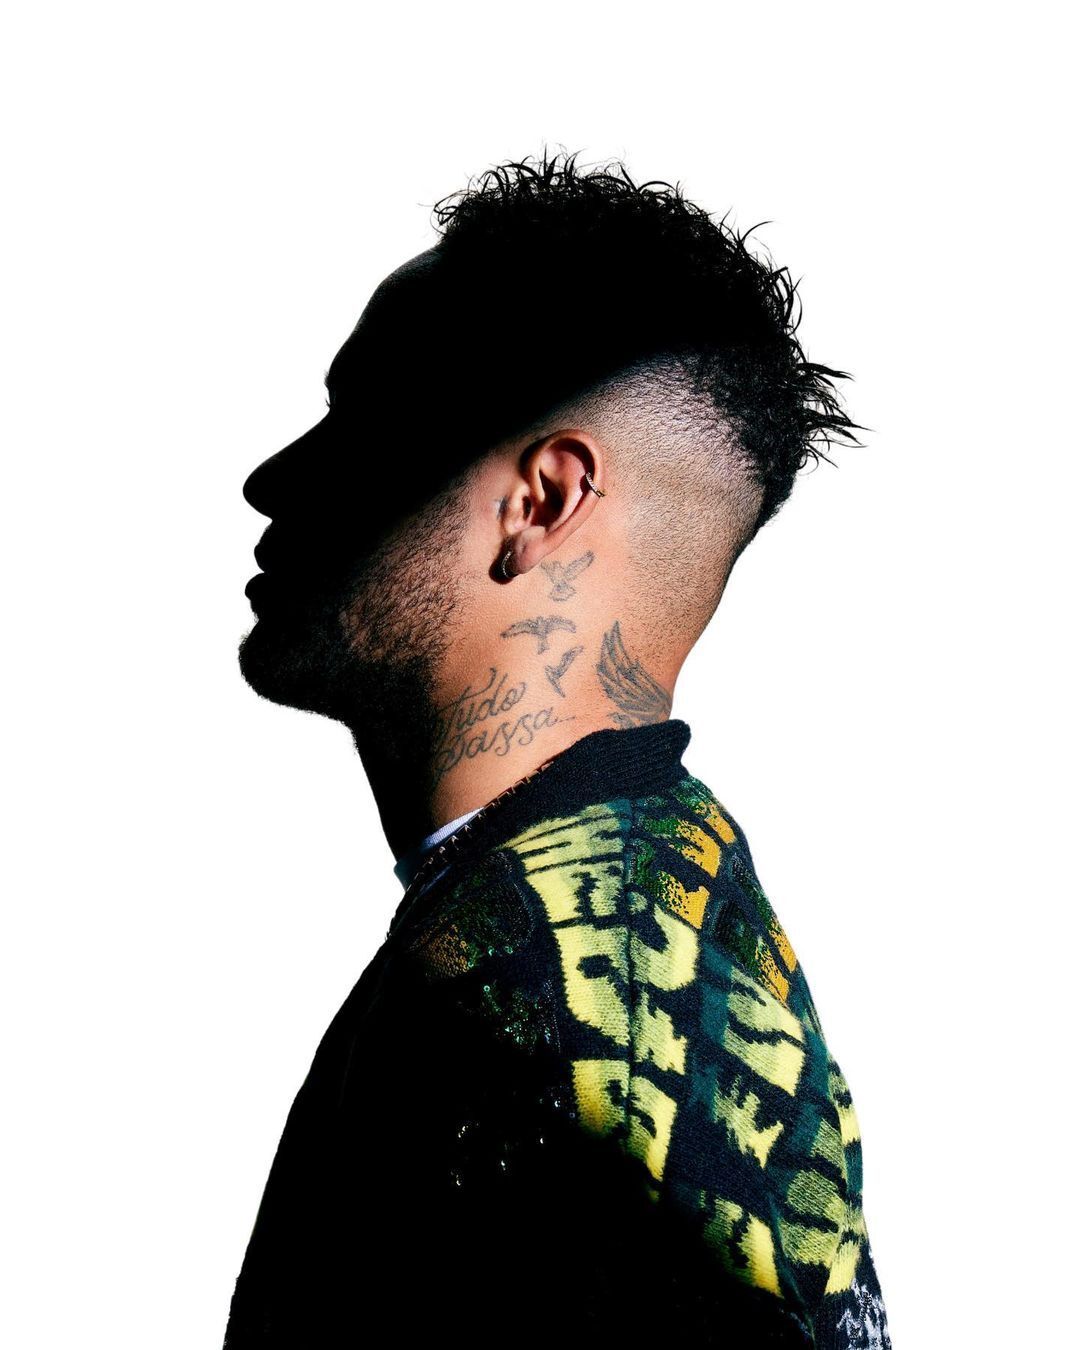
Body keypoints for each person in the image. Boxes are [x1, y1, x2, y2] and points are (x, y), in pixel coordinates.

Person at [224, 150, 891, 1348]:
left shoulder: (551, 996)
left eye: (365, 420)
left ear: (542, 500)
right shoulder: (608, 915)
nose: (271, 480)